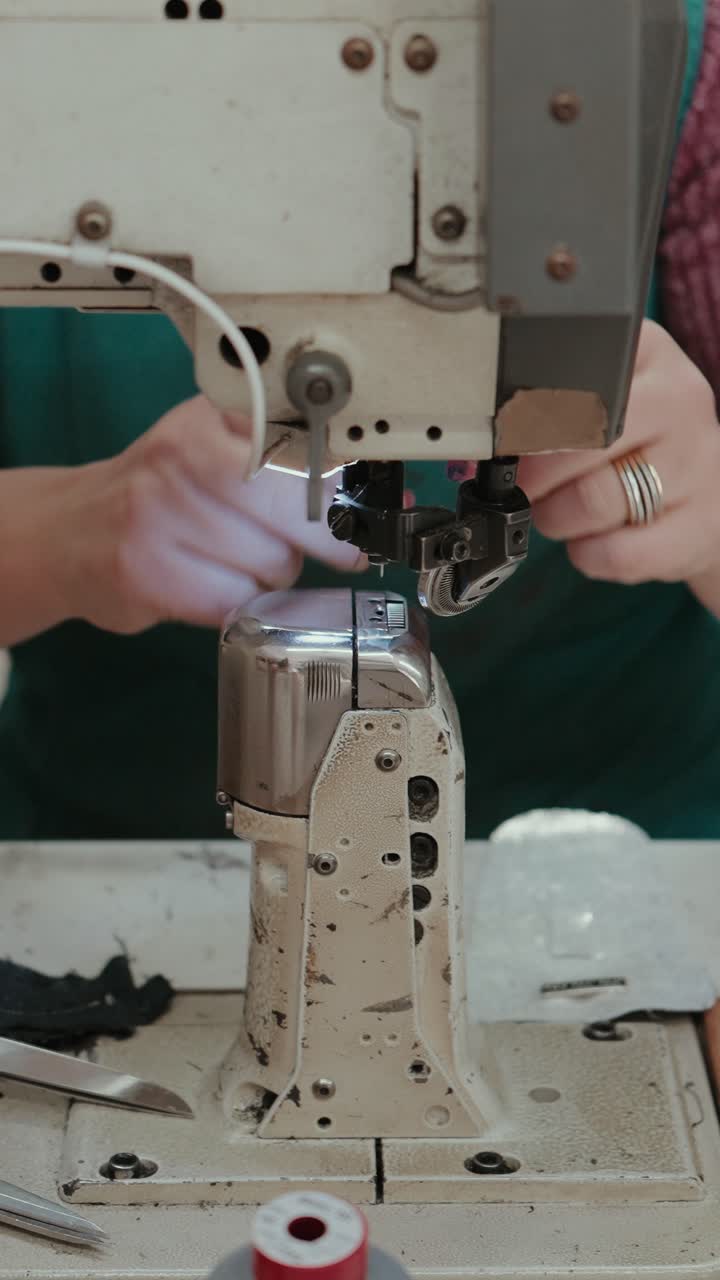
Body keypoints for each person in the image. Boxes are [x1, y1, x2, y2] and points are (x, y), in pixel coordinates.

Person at [0, 0, 715, 842]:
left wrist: (710, 507)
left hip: (625, 867)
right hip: (112, 864)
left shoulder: (690, 85)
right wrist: (56, 538)